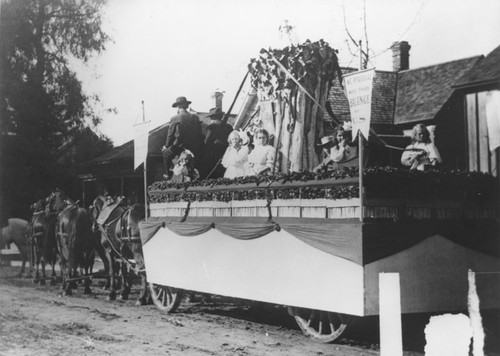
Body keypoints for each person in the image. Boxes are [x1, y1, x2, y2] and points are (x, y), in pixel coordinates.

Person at [162, 96, 203, 180]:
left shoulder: (175, 118)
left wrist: (166, 146)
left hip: (179, 147)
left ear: (178, 107)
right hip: (194, 147)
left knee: (165, 154)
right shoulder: (195, 118)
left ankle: (168, 174)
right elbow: (199, 133)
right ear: (186, 106)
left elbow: (170, 135)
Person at [199, 107, 233, 179]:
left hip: (213, 155)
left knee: (212, 174)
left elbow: (207, 142)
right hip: (226, 153)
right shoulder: (229, 127)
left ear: (212, 118)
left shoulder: (212, 127)